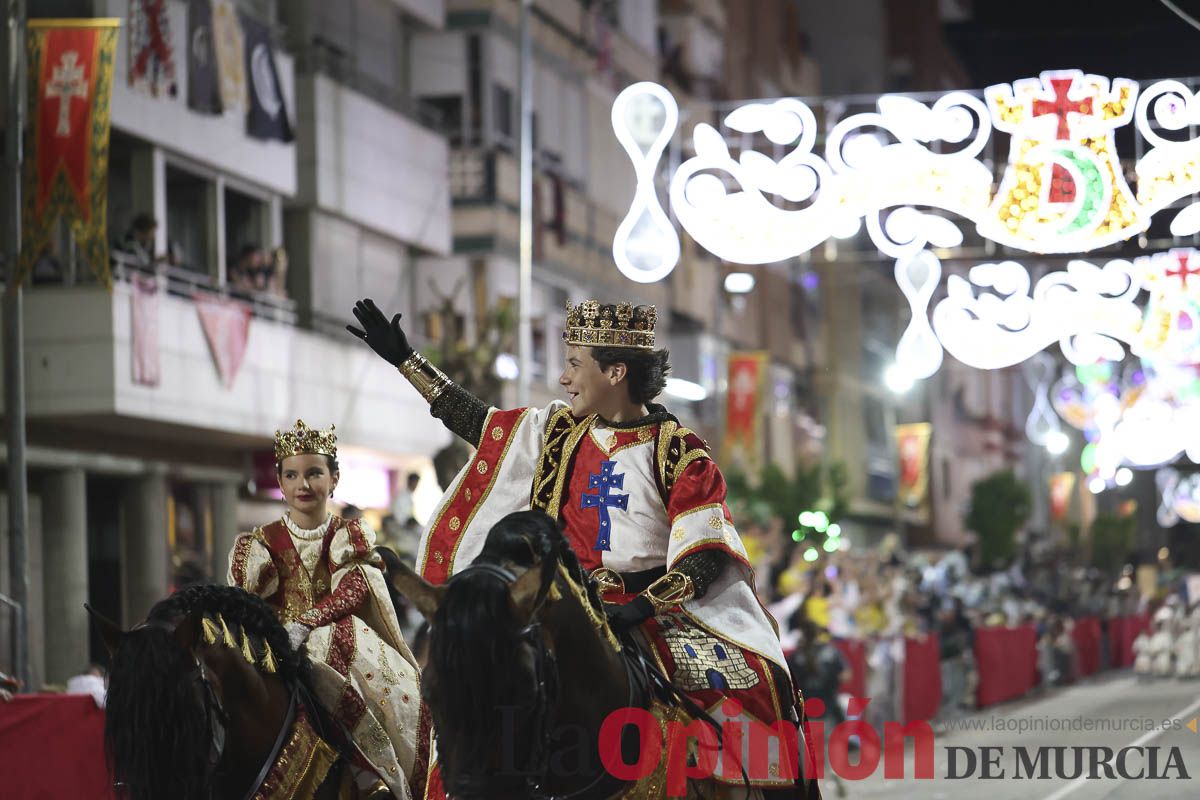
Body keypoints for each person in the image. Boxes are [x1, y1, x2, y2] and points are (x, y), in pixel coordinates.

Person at [349, 298, 818, 798]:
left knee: (755, 679)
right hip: (557, 599)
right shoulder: (555, 433)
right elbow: (477, 422)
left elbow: (704, 552)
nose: (564, 378)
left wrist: (640, 607)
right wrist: (406, 361)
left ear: (615, 371)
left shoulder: (676, 450)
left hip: (657, 610)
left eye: (575, 363)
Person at [226, 419, 420, 799]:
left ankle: (367, 768)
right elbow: (247, 599)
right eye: (292, 475)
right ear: (280, 483)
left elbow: (354, 587)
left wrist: (309, 621)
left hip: (337, 637)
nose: (303, 485)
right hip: (276, 640)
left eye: (314, 473)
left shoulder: (348, 534)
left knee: (328, 648)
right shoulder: (260, 543)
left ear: (333, 479)